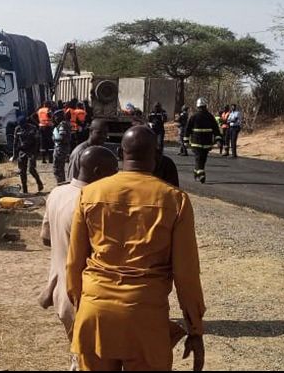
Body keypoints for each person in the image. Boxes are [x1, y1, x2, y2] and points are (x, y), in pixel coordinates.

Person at [66, 126, 205, 371]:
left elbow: (74, 263)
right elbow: (186, 274)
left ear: (120, 154)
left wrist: (81, 308)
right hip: (145, 315)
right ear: (157, 156)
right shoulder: (175, 200)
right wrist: (195, 328)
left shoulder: (89, 194)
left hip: (95, 310)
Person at [39, 146, 119, 366]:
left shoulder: (57, 193)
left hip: (60, 294)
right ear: (97, 171)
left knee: (78, 355)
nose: (116, 176)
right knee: (89, 362)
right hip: (84, 298)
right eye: (113, 171)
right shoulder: (93, 203)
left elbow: (45, 238)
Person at [184, 98, 222, 184]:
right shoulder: (202, 116)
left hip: (202, 143)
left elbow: (215, 129)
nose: (202, 109)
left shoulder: (205, 116)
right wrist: (218, 140)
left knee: (202, 159)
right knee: (199, 158)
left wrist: (218, 139)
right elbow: (188, 129)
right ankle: (201, 174)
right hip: (200, 143)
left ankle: (196, 171)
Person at [11, 117, 44, 194]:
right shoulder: (17, 129)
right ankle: (25, 189)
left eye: (23, 124)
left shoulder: (33, 128)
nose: (21, 126)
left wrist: (36, 152)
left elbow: (37, 141)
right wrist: (14, 155)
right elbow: (15, 142)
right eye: (20, 124)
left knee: (31, 169)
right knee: (22, 171)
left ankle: (39, 182)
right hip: (22, 151)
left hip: (31, 151)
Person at [53, 110, 73, 185]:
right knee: (59, 168)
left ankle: (61, 184)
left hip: (60, 149)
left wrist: (54, 138)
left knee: (57, 168)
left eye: (56, 117)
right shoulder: (65, 124)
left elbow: (62, 138)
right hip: (62, 148)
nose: (55, 118)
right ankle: (61, 183)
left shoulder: (62, 125)